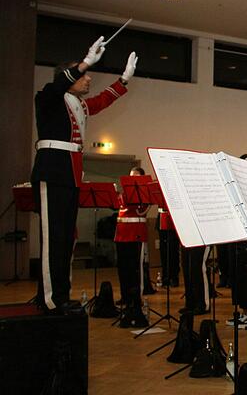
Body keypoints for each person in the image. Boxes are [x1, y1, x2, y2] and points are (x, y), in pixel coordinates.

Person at [31, 36, 137, 314]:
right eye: (84, 76)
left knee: (67, 236)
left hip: (69, 174)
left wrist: (123, 81)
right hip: (53, 171)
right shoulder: (49, 97)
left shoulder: (77, 105)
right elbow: (59, 85)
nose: (88, 80)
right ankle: (50, 298)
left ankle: (61, 294)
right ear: (69, 77)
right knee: (53, 236)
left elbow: (102, 101)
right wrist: (85, 61)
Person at [114, 166, 150, 328]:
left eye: (135, 177)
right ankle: (125, 297)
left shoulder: (144, 195)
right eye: (130, 177)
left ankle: (137, 299)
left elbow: (142, 212)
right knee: (123, 268)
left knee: (136, 268)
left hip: (136, 234)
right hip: (121, 234)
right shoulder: (123, 194)